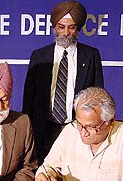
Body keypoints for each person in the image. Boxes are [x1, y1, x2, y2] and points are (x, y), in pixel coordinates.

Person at [23, 0, 104, 164]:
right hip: (43, 130)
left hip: (77, 130)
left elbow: (98, 97)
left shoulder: (91, 55)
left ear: (78, 28)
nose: (66, 32)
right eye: (61, 27)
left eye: (71, 27)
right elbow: (29, 97)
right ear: (54, 27)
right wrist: (28, 130)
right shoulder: (39, 56)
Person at [35, 87, 123, 181]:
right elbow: (49, 166)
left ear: (110, 121)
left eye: (92, 127)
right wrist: (44, 175)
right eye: (79, 124)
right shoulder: (71, 130)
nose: (83, 132)